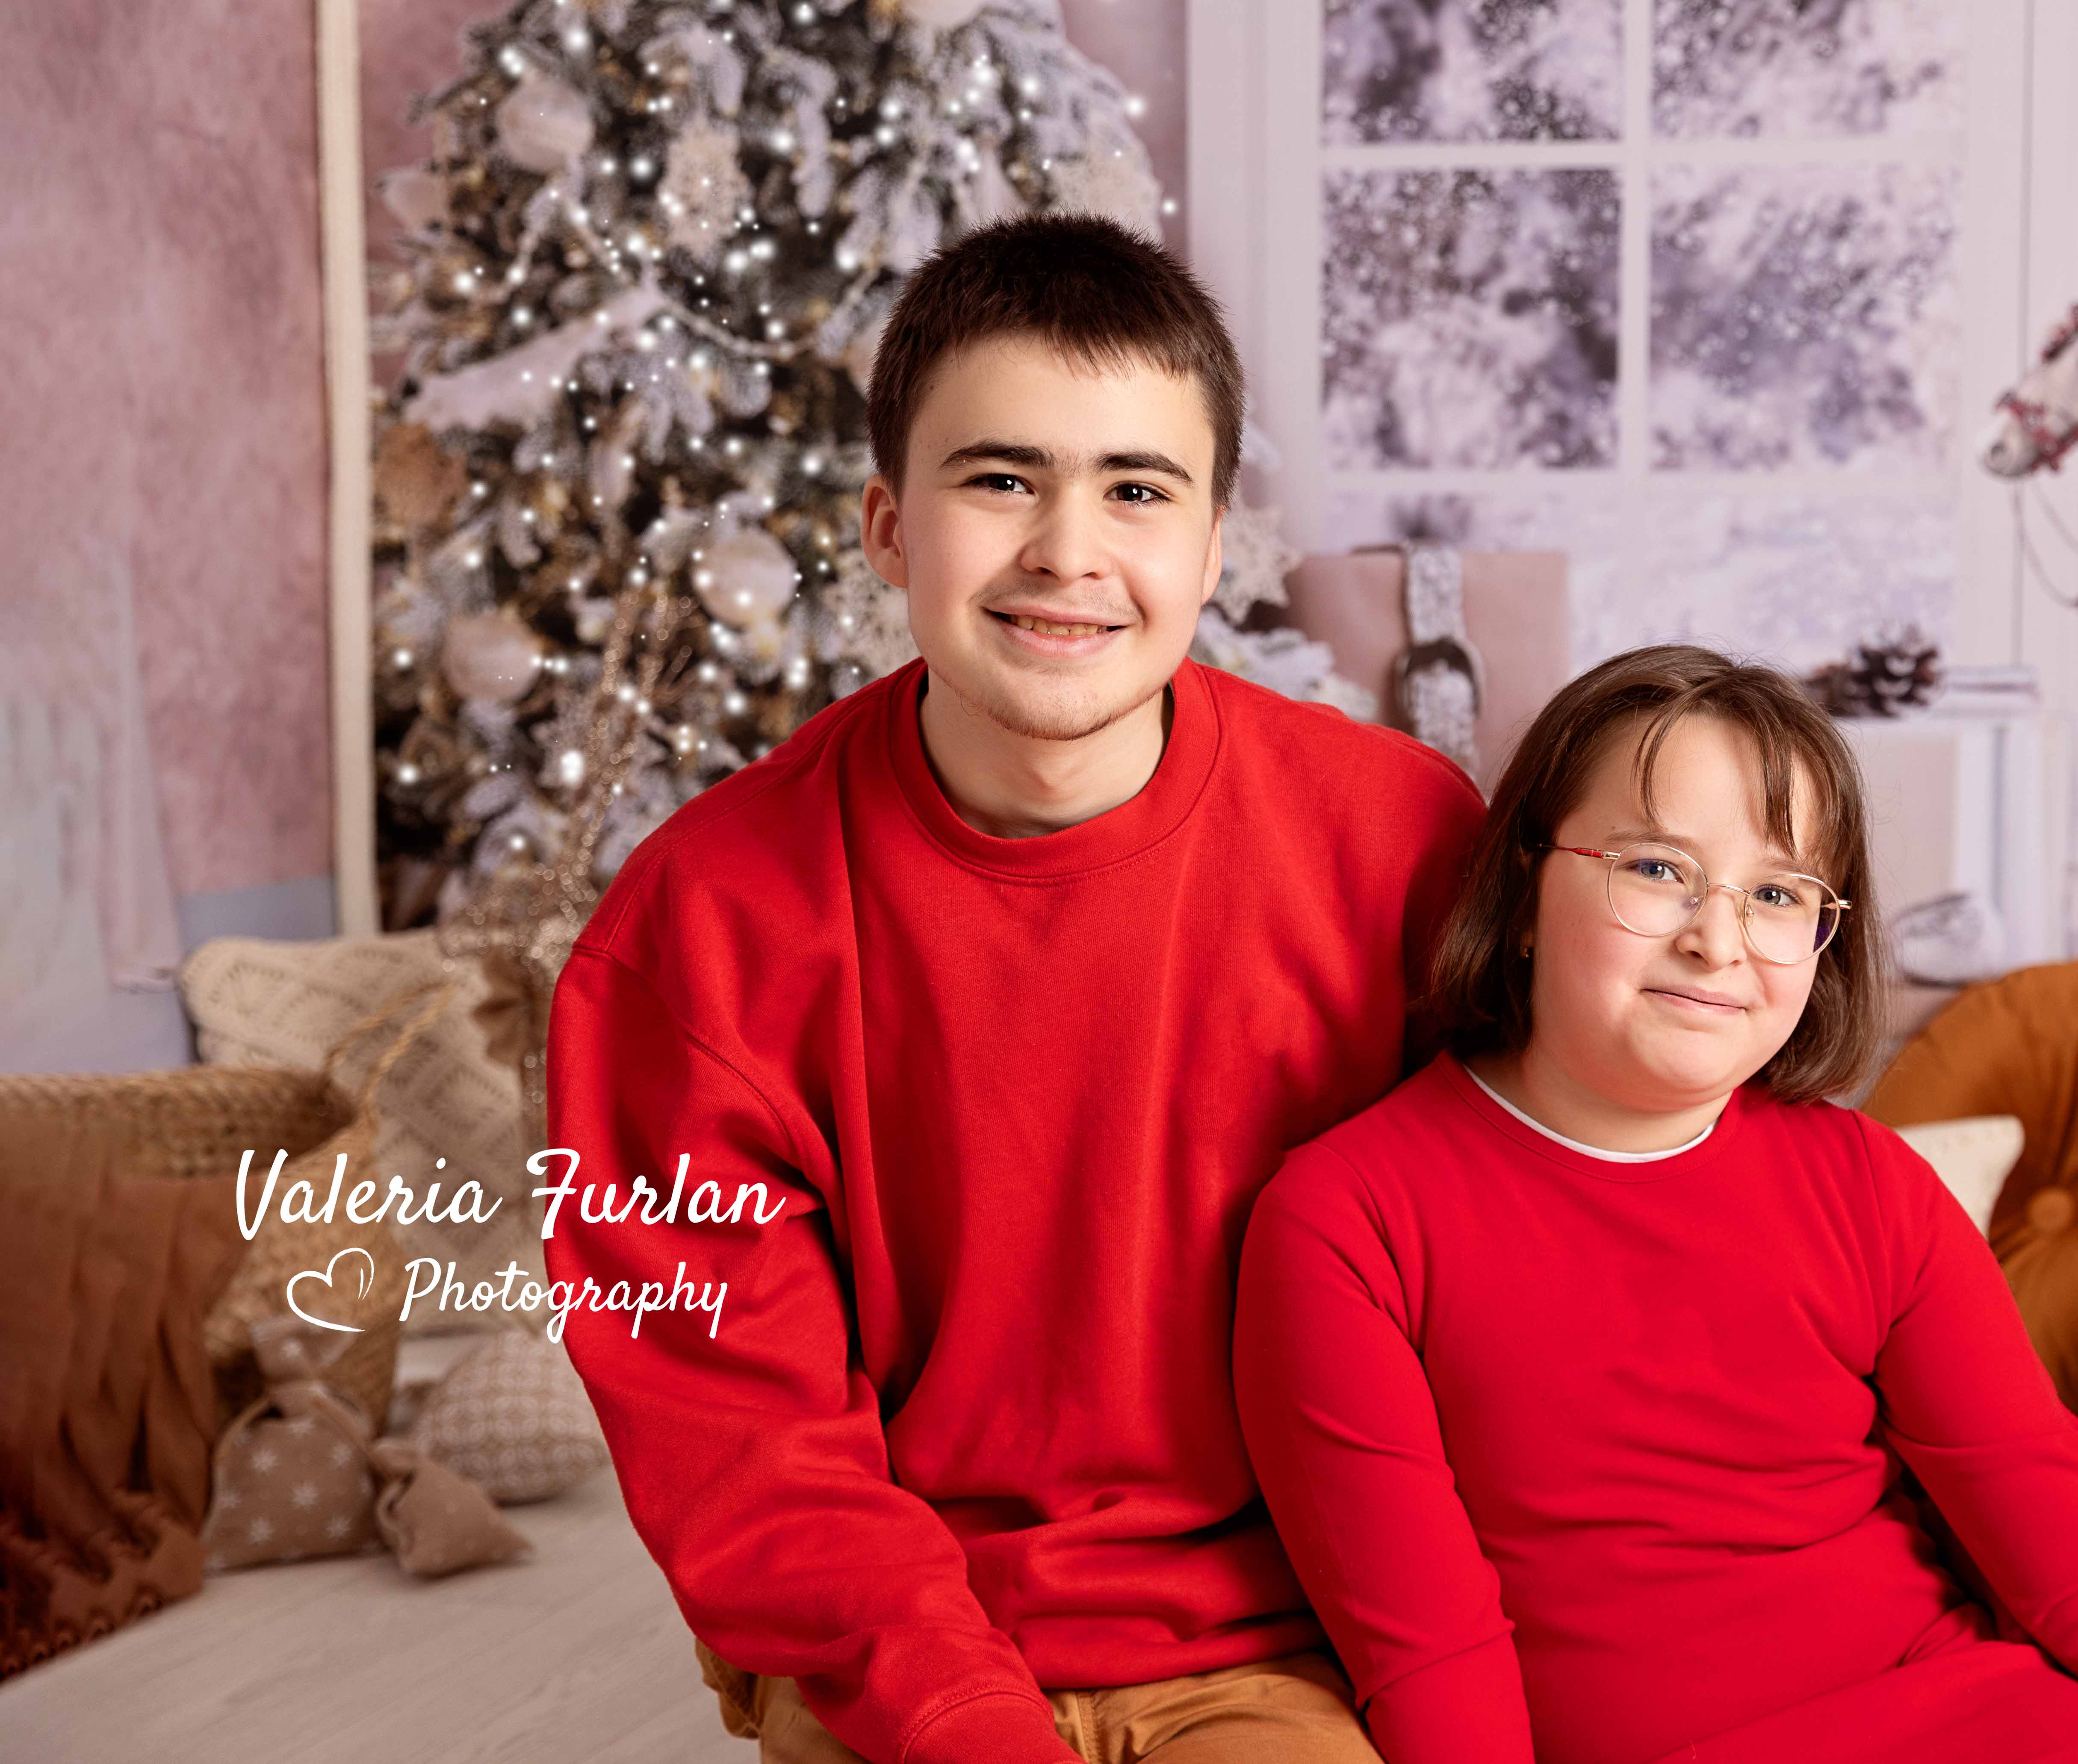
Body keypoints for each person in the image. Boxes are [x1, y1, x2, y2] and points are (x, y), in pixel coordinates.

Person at [543, 214, 1483, 1764]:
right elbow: (742, 1439)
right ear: (887, 526)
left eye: (1136, 489)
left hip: (1290, 1644)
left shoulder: (1402, 846)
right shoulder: (697, 929)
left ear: (1212, 545)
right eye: (999, 479)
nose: (1067, 550)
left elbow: (1537, 1280)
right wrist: (966, 1721)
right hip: (894, 1650)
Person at [1231, 645, 2078, 1764]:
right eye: (1656, 868)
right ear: (1527, 886)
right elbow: (1432, 1660)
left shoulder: (1869, 1186)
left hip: (1972, 1717)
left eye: (1777, 893)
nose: (1718, 941)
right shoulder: (1348, 1220)